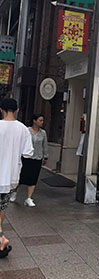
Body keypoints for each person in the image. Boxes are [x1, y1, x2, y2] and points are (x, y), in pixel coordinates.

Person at [0, 99, 33, 256]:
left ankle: (1, 238)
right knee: (2, 206)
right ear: (17, 110)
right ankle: (1, 238)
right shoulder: (23, 129)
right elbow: (28, 153)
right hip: (10, 177)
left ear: (1, 110)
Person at [11, 114, 49, 207]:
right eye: (40, 120)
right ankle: (14, 192)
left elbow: (45, 145)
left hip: (38, 158)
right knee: (21, 177)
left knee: (33, 178)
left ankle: (28, 198)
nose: (42, 122)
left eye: (42, 120)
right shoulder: (27, 131)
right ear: (34, 121)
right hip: (27, 157)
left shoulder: (43, 133)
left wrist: (45, 156)